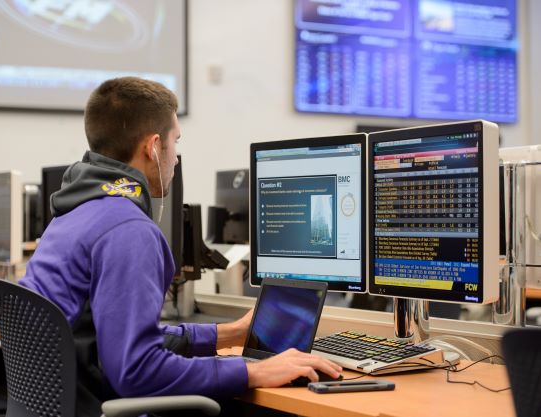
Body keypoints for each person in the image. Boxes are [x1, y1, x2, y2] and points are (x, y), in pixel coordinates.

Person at [20, 77, 341, 415]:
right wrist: (253, 371)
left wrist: (229, 333)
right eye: (176, 143)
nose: (175, 159)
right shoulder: (128, 230)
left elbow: (119, 340)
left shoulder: (72, 214)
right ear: (154, 147)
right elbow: (136, 371)